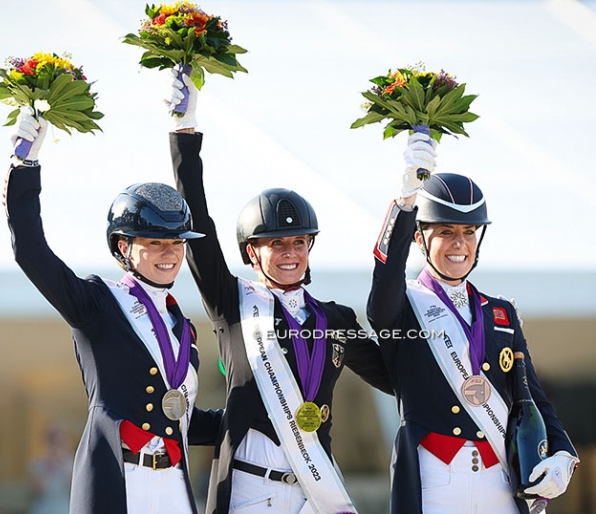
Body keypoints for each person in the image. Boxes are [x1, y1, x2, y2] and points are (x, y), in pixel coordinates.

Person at [163, 70, 393, 514]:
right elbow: (198, 226)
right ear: (252, 251)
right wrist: (184, 133)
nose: (290, 253)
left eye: (298, 243)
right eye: (276, 244)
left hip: (314, 493)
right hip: (250, 493)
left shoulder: (338, 321)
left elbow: (397, 377)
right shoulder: (232, 304)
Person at [2, 108, 223, 514]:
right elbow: (31, 251)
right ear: (124, 247)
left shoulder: (184, 329)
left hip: (174, 485)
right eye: (155, 243)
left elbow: (181, 419)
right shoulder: (97, 303)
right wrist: (25, 165)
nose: (170, 253)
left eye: (177, 243)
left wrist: (257, 414)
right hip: (119, 485)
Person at [366, 131, 579, 513]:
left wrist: (563, 453)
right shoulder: (404, 304)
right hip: (436, 479)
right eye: (446, 232)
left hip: (499, 479)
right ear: (419, 238)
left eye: (468, 232)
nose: (459, 243)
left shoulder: (501, 313)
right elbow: (384, 284)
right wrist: (406, 201)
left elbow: (531, 396)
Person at [26, 426, 73, 514]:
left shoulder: (73, 463)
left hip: (66, 508)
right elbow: (37, 491)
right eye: (51, 442)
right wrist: (50, 468)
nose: (55, 447)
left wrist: (62, 465)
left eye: (59, 442)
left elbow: (73, 489)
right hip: (44, 508)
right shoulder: (37, 464)